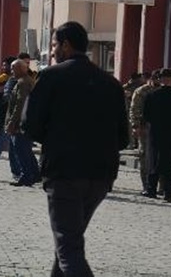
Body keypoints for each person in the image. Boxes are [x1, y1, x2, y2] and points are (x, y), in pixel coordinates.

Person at [24, 21, 128, 276]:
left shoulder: (51, 76)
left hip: (64, 173)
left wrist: (55, 139)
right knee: (68, 241)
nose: (52, 52)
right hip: (101, 176)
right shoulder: (111, 83)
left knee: (69, 248)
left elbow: (30, 125)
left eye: (54, 45)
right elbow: (123, 138)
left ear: (66, 45)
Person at [142, 68, 171, 202]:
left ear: (160, 80)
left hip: (155, 132)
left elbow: (146, 115)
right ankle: (168, 191)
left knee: (154, 160)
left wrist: (155, 124)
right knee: (170, 161)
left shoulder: (151, 96)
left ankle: (151, 189)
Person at [5, 59, 40, 187]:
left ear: (21, 69)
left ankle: (27, 176)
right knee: (26, 150)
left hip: (21, 124)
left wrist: (12, 122)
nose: (11, 71)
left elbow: (20, 105)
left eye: (13, 68)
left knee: (20, 149)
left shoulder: (23, 83)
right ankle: (35, 174)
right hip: (25, 122)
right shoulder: (25, 81)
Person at [129, 70, 161, 194]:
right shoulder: (141, 91)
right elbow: (134, 108)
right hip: (145, 127)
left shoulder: (163, 90)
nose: (158, 82)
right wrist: (135, 126)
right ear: (151, 79)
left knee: (160, 156)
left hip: (161, 127)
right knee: (145, 156)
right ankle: (147, 184)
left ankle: (161, 186)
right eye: (156, 79)